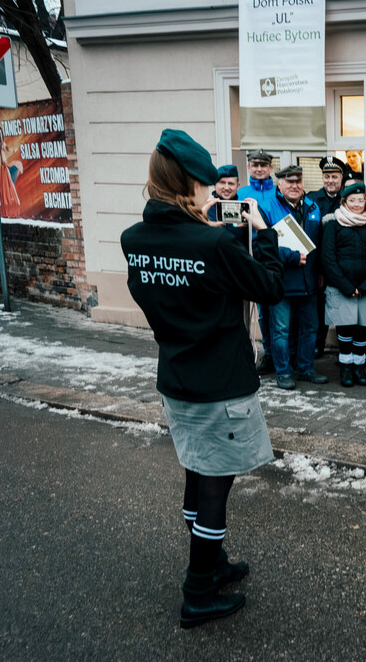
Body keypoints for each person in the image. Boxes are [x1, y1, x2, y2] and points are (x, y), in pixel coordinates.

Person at [120, 129, 284, 629]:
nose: (214, 192)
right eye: (206, 185)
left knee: (197, 469)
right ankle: (198, 591)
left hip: (177, 376)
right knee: (215, 483)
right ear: (185, 185)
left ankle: (213, 563)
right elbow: (271, 287)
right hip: (221, 385)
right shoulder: (212, 241)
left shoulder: (135, 239)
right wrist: (266, 231)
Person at [320, 182, 366, 387]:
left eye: (361, 200)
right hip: (341, 288)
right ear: (344, 202)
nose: (357, 204)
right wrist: (346, 286)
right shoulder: (333, 225)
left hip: (365, 289)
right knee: (345, 330)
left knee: (362, 330)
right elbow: (328, 259)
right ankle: (346, 369)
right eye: (352, 200)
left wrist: (365, 286)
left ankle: (359, 367)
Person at [271, 165, 327, 389]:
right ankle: (283, 372)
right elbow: (262, 245)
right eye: (289, 182)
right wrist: (290, 256)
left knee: (310, 328)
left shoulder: (313, 207)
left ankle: (305, 368)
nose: (295, 186)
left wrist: (321, 272)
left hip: (308, 281)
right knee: (281, 331)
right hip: (282, 280)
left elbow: (320, 244)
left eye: (298, 181)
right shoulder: (268, 208)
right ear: (280, 184)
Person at [238, 149, 285, 375]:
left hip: (279, 258)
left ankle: (283, 356)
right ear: (248, 167)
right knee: (263, 313)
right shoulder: (241, 193)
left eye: (263, 165)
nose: (259, 168)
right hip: (253, 259)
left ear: (270, 168)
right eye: (255, 164)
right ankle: (268, 355)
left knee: (282, 314)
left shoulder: (279, 192)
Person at [308, 156, 349, 357]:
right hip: (317, 263)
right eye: (326, 176)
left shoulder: (348, 199)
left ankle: (346, 349)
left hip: (342, 264)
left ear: (341, 178)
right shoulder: (312, 199)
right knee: (317, 306)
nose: (330, 180)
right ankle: (318, 344)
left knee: (343, 306)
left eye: (334, 176)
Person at [0, 129, 23, 212]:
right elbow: (5, 149)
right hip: (7, 166)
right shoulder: (1, 144)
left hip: (7, 166)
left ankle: (14, 201)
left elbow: (6, 149)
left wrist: (12, 150)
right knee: (6, 169)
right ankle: (14, 202)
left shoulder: (2, 144)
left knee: (8, 176)